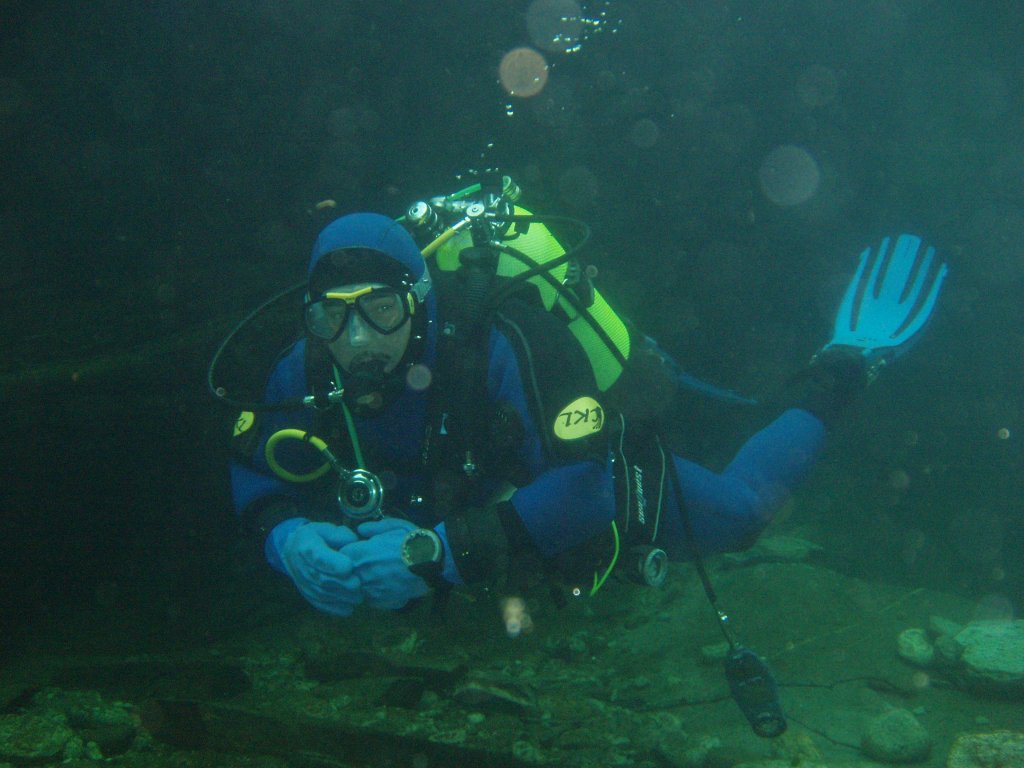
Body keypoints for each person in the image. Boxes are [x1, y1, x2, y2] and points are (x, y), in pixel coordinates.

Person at [228, 182, 947, 618]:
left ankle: (844, 368)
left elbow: (587, 485)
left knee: (743, 513)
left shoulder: (502, 341)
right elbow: (255, 465)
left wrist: (438, 551)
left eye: (381, 309)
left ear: (419, 300)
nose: (356, 339)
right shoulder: (304, 365)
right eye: (332, 315)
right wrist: (284, 538)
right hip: (469, 497)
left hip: (561, 466)